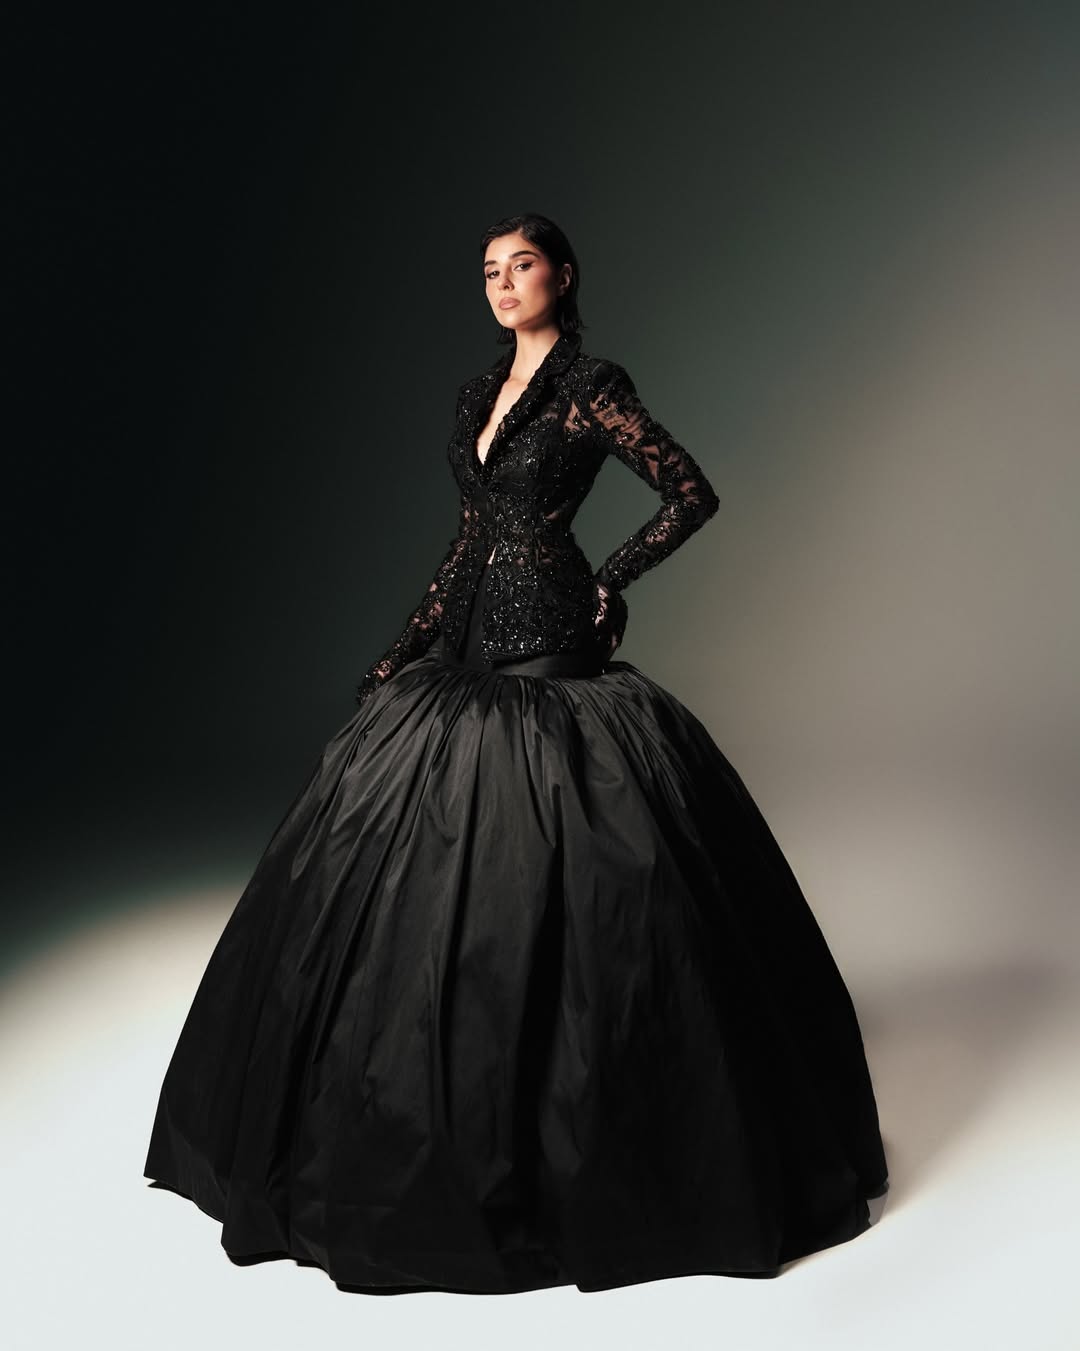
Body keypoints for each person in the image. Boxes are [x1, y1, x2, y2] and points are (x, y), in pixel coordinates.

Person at [143, 212, 889, 1295]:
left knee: (556, 841)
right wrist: (402, 649)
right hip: (472, 640)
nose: (501, 284)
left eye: (521, 265)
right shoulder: (475, 393)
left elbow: (690, 492)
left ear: (562, 276)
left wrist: (608, 579)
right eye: (489, 270)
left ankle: (581, 1114)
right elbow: (469, 541)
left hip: (551, 636)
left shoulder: (591, 385)